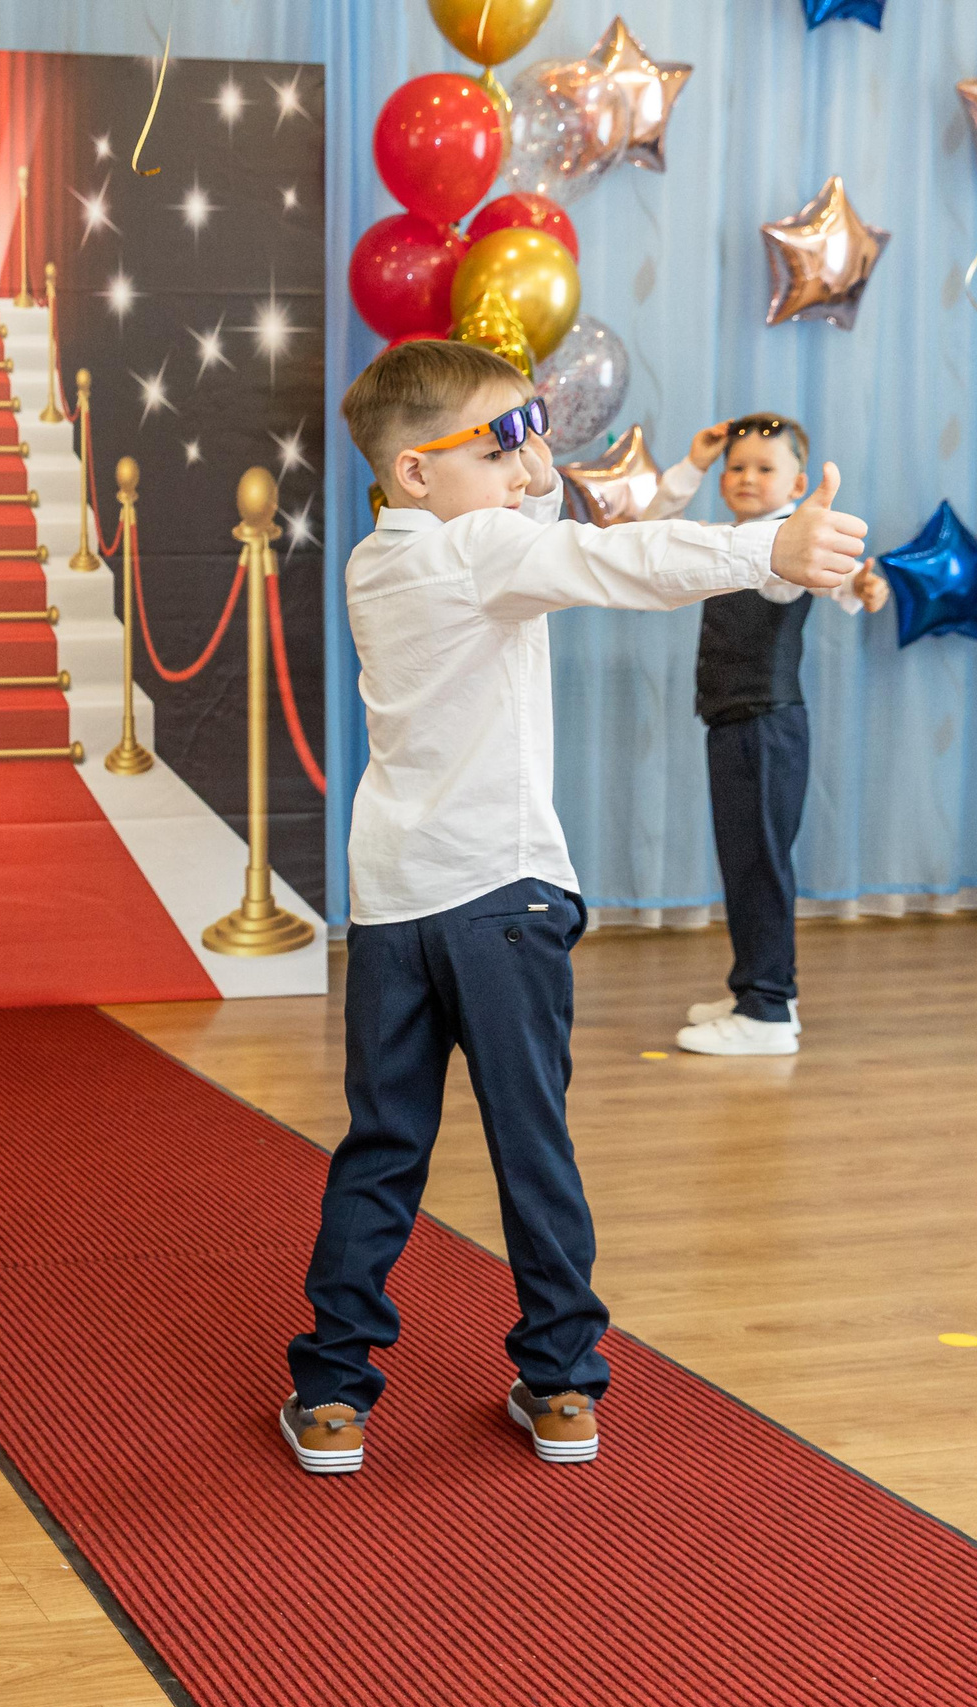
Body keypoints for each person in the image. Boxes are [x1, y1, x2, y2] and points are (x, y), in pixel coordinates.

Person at [281, 342, 868, 1478]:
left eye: (534, 428)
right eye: (502, 437)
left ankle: (332, 1391)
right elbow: (625, 561)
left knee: (381, 1148)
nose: (529, 456)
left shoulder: (377, 559)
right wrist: (770, 546)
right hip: (501, 895)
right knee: (530, 1143)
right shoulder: (485, 550)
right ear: (414, 472)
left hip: (394, 905)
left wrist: (523, 458)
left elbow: (543, 508)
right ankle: (559, 1383)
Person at [641, 415, 888, 1058]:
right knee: (747, 862)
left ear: (798, 483)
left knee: (759, 866)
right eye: (736, 467)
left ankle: (768, 1009)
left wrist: (861, 584)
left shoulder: (783, 545)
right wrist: (692, 464)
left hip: (764, 726)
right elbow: (645, 532)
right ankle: (762, 988)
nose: (747, 477)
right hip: (737, 723)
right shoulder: (729, 538)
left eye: (765, 468)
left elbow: (831, 581)